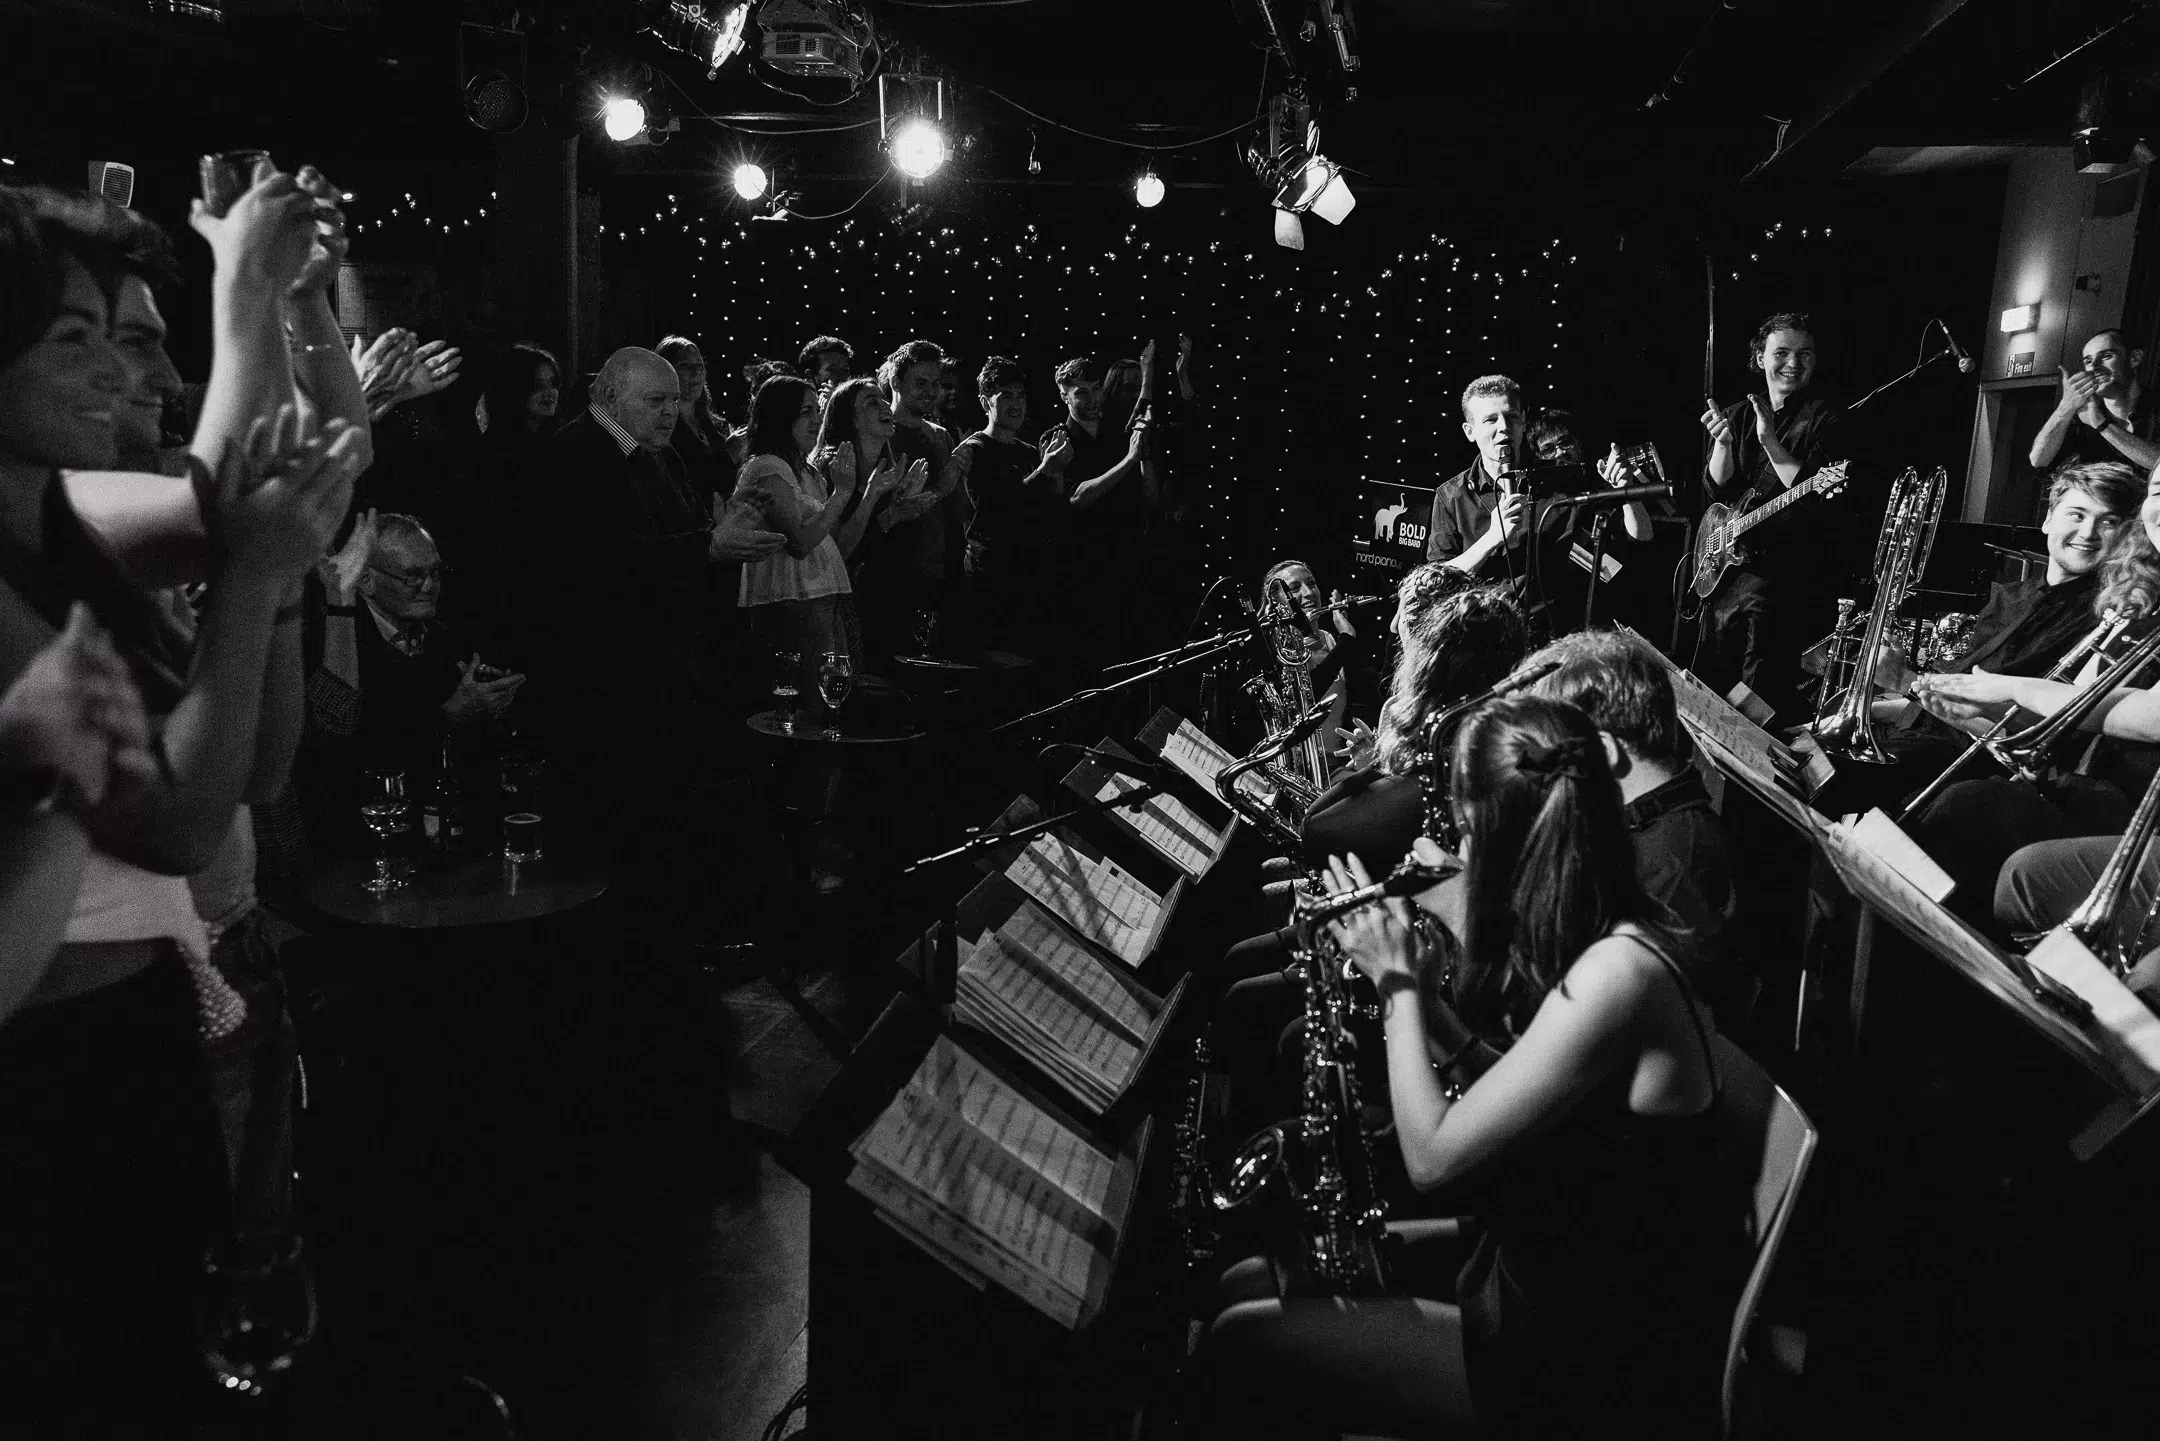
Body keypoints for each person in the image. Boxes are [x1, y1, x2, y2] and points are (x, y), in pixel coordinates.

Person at [0, 173, 365, 1435]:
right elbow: (175, 823)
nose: (120, 371)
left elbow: (264, 486)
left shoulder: (50, 512)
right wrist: (246, 291)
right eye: (74, 335)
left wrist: (279, 300)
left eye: (123, 333)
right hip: (47, 1065)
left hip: (136, 1012)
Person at [1199, 695, 1745, 1441]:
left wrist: (1395, 989)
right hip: (1530, 1265)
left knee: (1241, 1337)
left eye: (1463, 827)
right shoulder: (1600, 933)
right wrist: (1430, 998)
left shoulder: (1620, 972)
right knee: (1243, 1283)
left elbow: (1432, 1159)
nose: (1453, 849)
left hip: (1579, 1362)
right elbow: (1526, 1085)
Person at [520, 346, 782, 854]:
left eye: (676, 400)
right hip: (605, 679)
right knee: (616, 830)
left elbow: (680, 539)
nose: (671, 412)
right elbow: (595, 561)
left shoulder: (657, 454)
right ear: (613, 397)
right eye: (657, 400)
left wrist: (720, 535)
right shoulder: (574, 456)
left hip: (661, 669)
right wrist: (710, 544)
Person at [1885, 463, 2145, 910]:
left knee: (1943, 801)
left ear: (2128, 536)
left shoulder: (2109, 613)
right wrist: (1883, 703)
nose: (2088, 531)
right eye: (2077, 514)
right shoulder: (2014, 595)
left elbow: (2046, 727)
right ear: (2047, 519)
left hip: (2005, 765)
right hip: (1970, 744)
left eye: (2109, 522)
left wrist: (1906, 685)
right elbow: (1957, 700)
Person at [1525, 628, 1742, 1021]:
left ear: (1604, 753)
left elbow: (1587, 1031)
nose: (1538, 781)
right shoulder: (1649, 831)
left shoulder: (1670, 871)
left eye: (1547, 760)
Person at [1695, 312, 1849, 717]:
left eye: (1805, 355)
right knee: (1715, 682)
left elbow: (1816, 497)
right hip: (1729, 577)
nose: (1793, 364)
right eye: (1781, 353)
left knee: (1760, 694)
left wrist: (1769, 442)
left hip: (1786, 582)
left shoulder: (1826, 418)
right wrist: (1724, 445)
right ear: (1759, 357)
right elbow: (1716, 491)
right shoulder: (1736, 413)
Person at [956, 356, 1076, 658]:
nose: (1016, 404)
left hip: (1032, 578)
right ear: (986, 402)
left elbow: (1050, 509)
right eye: (1006, 396)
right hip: (992, 579)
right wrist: (1044, 471)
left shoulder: (1029, 451)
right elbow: (994, 510)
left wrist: (1057, 473)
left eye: (1020, 395)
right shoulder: (975, 449)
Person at [854, 340, 962, 662]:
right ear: (896, 382)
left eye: (935, 383)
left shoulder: (940, 435)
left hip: (936, 573)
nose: (930, 391)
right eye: (920, 383)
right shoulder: (878, 431)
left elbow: (952, 511)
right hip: (889, 575)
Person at [1424, 374, 1532, 586]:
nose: (1503, 426)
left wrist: (1618, 495)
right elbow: (1435, 580)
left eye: (1511, 416)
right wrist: (1492, 538)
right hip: (1481, 617)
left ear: (1524, 422)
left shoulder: (1556, 482)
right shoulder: (1451, 496)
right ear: (1470, 432)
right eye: (1490, 420)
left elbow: (1606, 565)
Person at [2029, 328, 2160, 474]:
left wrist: (2101, 424)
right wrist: (2065, 406)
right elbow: (2038, 461)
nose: (2094, 367)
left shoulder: (2155, 407)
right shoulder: (2082, 415)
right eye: (2088, 361)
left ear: (2135, 358)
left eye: (2106, 356)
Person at [657, 333, 731, 510]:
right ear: (667, 370)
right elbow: (686, 480)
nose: (696, 372)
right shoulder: (661, 425)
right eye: (685, 366)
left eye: (700, 365)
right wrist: (729, 454)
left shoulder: (715, 424)